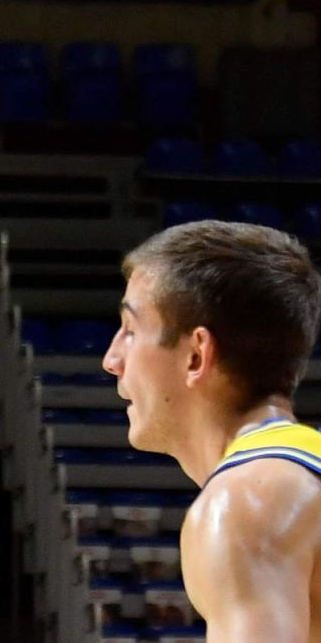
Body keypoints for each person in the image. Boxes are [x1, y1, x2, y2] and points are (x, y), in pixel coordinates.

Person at [104, 220, 321, 641]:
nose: (111, 360)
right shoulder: (298, 471)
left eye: (130, 330)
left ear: (196, 355)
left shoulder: (244, 502)